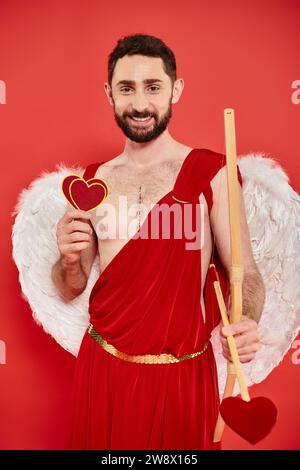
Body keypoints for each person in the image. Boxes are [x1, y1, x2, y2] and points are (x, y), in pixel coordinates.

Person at [51, 34, 264, 450]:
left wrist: (247, 320)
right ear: (109, 93)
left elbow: (247, 275)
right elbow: (70, 286)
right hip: (104, 371)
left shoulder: (213, 172)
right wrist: (69, 259)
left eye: (153, 87)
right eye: (126, 88)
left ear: (175, 89)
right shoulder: (93, 181)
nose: (140, 103)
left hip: (182, 376)